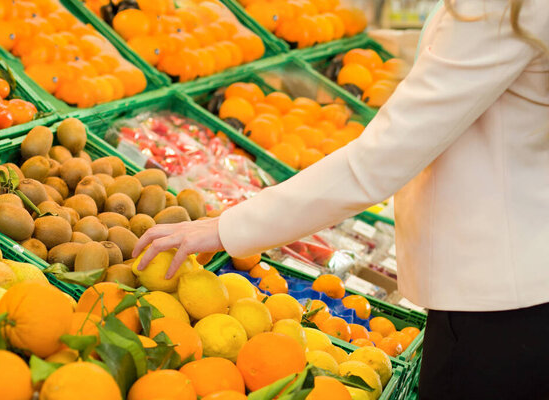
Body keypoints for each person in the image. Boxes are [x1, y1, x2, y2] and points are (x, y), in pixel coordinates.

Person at [132, 1, 549, 398]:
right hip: (520, 278)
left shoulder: (498, 8)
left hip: (497, 309)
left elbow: (376, 164)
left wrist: (226, 227)